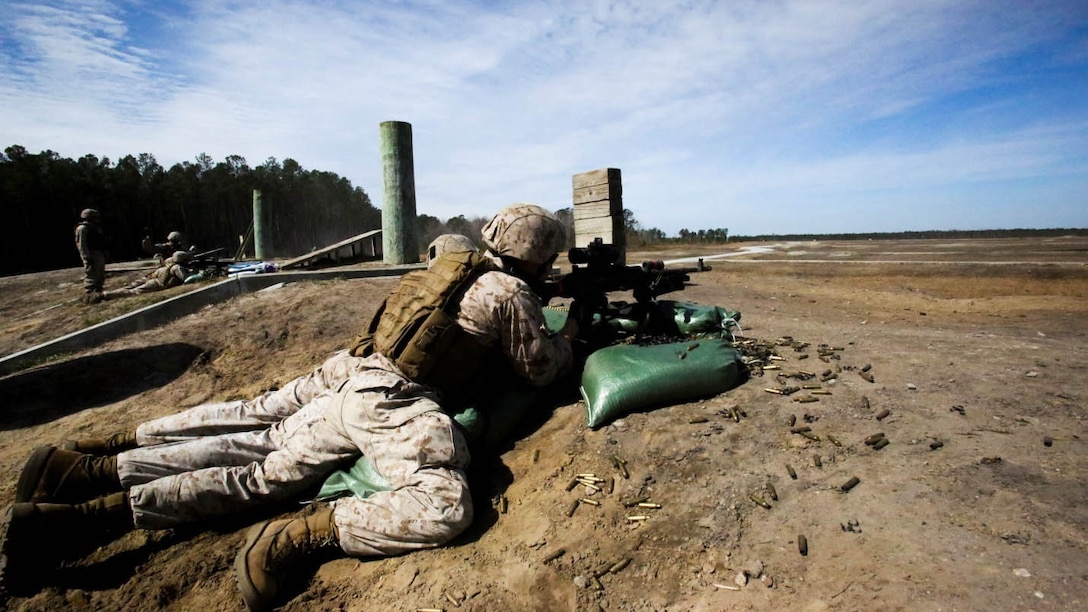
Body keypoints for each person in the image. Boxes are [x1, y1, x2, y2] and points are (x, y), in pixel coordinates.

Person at [0, 203, 579, 611]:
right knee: (446, 507)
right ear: (536, 255)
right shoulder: (510, 293)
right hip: (397, 403)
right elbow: (541, 370)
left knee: (258, 454)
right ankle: (306, 533)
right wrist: (570, 332)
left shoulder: (450, 269)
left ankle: (84, 504)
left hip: (359, 381)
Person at [101, 251, 193, 299]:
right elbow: (188, 279)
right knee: (132, 292)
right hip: (156, 285)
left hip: (152, 278)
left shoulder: (169, 264)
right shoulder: (176, 268)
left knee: (130, 288)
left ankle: (108, 293)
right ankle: (107, 295)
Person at [74, 208, 107, 304]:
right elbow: (81, 244)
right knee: (91, 274)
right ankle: (90, 295)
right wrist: (86, 256)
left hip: (98, 253)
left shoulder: (94, 228)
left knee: (100, 274)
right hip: (91, 254)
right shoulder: (82, 228)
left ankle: (98, 293)